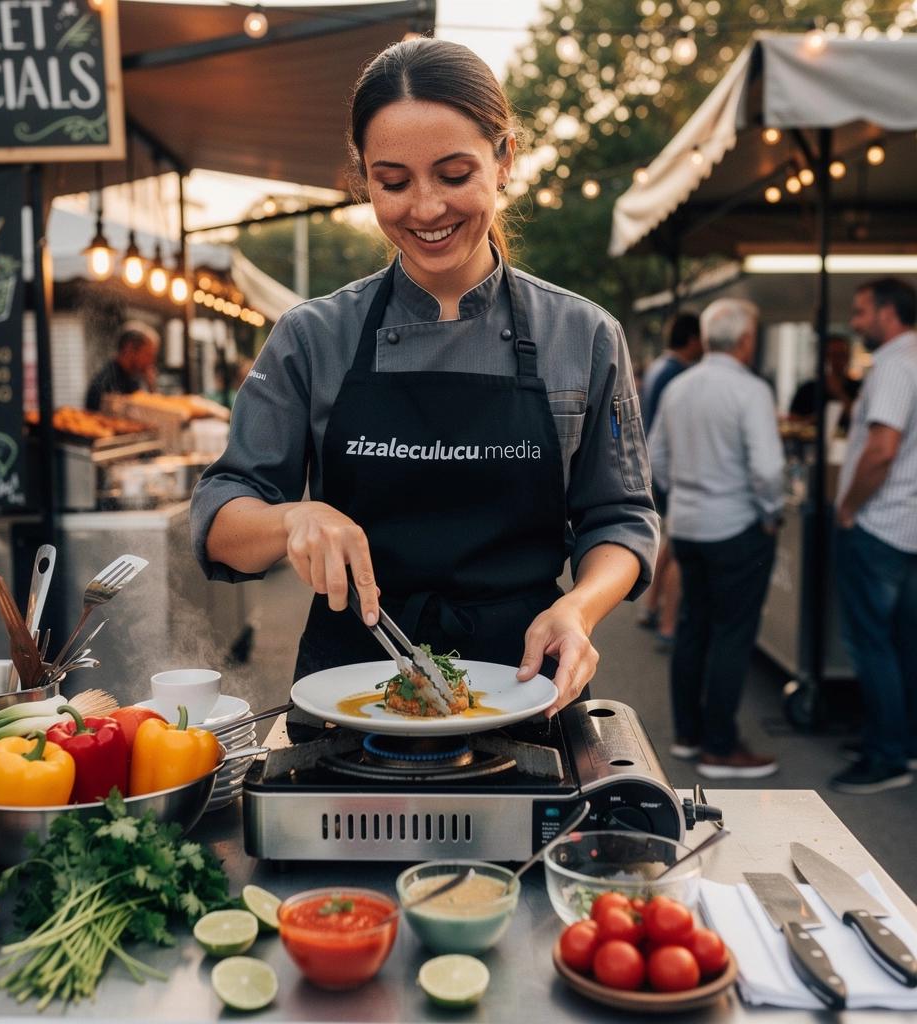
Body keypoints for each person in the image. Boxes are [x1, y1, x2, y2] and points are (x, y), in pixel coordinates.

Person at [191, 38, 659, 717]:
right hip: (348, 697)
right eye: (394, 182)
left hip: (526, 688)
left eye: (453, 173)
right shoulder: (313, 336)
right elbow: (218, 518)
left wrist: (580, 610)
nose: (427, 208)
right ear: (363, 179)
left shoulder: (583, 336)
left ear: (505, 161)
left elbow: (620, 518)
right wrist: (294, 516)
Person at [648, 298, 783, 778]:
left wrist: (678, 497)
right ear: (746, 340)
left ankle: (688, 734)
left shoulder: (680, 387)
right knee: (732, 633)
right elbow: (768, 469)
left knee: (693, 626)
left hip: (688, 525)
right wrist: (771, 513)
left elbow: (656, 457)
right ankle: (720, 746)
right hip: (737, 526)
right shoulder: (751, 391)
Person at [831, 278, 917, 794]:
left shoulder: (893, 365)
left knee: (872, 643)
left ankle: (886, 755)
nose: (856, 323)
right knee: (904, 642)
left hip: (880, 523)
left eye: (862, 313)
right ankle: (901, 741)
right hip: (907, 525)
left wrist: (848, 507)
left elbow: (882, 448)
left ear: (888, 313)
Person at [637, 312, 702, 647]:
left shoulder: (660, 368)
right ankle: (667, 623)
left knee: (668, 543)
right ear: (693, 338)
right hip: (670, 471)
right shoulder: (677, 374)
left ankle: (651, 605)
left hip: (656, 465)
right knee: (676, 547)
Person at [788, 334, 860, 432]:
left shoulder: (858, 388)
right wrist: (813, 420)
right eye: (831, 355)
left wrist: (839, 393)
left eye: (841, 355)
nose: (836, 360)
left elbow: (860, 417)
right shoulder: (807, 389)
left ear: (847, 357)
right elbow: (792, 420)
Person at [85, 322, 160, 412]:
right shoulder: (104, 382)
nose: (151, 361)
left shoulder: (134, 379)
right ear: (129, 348)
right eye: (148, 354)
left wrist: (152, 387)